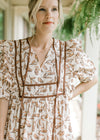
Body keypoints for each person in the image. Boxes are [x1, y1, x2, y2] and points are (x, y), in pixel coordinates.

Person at [0, 0, 97, 139]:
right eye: (42, 9)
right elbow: (3, 96)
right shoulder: (12, 51)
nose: (49, 15)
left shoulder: (68, 51)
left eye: (54, 9)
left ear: (59, 15)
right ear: (32, 15)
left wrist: (65, 95)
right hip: (18, 132)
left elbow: (92, 79)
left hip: (55, 132)